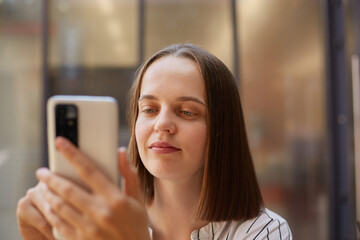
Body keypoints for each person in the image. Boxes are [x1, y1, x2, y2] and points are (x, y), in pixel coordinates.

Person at [16, 43, 292, 240]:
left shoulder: (263, 231)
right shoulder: (99, 222)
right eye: (149, 109)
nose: (162, 124)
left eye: (187, 112)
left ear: (222, 130)